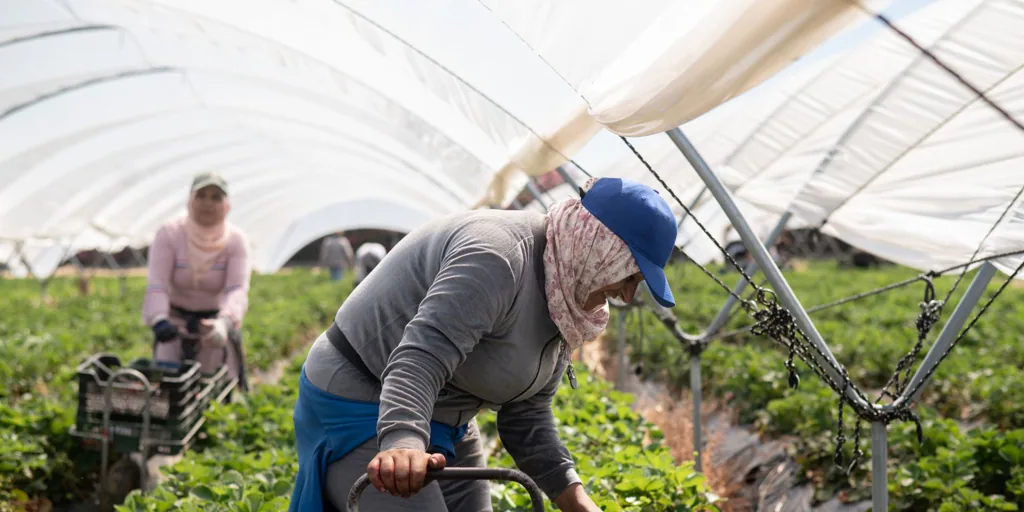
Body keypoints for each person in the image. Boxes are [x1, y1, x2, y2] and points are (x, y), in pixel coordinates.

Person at [290, 177, 679, 512]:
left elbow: (525, 415)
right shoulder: (497, 256)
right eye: (629, 276)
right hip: (361, 400)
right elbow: (419, 360)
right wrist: (403, 442)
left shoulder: (566, 295)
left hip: (449, 415)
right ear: (601, 250)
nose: (627, 296)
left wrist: (577, 500)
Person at [142, 172, 252, 392]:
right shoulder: (170, 234)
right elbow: (157, 283)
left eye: (216, 197)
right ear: (189, 201)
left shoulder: (235, 241)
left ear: (227, 206)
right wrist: (159, 319)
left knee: (211, 390)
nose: (207, 203)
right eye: (201, 195)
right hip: (174, 324)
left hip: (212, 329)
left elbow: (237, 289)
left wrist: (225, 322)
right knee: (169, 390)